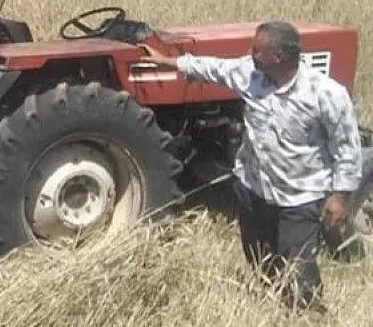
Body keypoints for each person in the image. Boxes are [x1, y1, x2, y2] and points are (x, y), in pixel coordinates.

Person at [139, 20, 363, 311]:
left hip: (299, 195)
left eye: (257, 51)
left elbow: (346, 146)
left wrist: (341, 195)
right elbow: (214, 68)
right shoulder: (251, 75)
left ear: (279, 56)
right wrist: (169, 62)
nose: (250, 55)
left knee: (298, 264)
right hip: (253, 187)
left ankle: (309, 313)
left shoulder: (326, 94)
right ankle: (272, 304)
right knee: (259, 255)